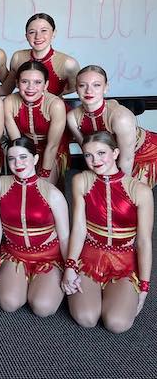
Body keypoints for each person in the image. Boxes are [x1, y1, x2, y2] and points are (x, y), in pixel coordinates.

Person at [62, 131, 152, 333]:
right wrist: (70, 265)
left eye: (102, 153)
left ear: (116, 152)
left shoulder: (140, 190)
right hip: (90, 257)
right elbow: (78, 227)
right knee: (86, 318)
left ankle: (118, 294)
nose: (95, 160)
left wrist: (144, 287)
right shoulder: (81, 180)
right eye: (88, 155)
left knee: (117, 324)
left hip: (124, 262)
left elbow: (144, 241)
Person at [0, 137, 69, 317]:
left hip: (48, 257)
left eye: (23, 157)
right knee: (8, 303)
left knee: (43, 308)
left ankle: (44, 285)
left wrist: (71, 268)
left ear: (35, 159)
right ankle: (20, 283)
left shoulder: (52, 193)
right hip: (14, 254)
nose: (18, 163)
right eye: (12, 159)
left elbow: (65, 236)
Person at [67, 65, 157, 188]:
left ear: (106, 88)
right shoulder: (72, 117)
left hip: (144, 154)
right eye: (82, 85)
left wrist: (119, 189)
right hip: (111, 157)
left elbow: (127, 159)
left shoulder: (120, 117)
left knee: (128, 199)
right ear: (76, 89)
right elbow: (89, 152)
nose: (89, 91)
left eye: (96, 85)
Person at [4, 61, 68, 185]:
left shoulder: (55, 104)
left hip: (51, 149)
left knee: (44, 187)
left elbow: (52, 145)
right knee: (23, 182)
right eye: (24, 82)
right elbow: (17, 143)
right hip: (24, 148)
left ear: (46, 84)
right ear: (17, 83)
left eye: (37, 82)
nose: (30, 87)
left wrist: (44, 173)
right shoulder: (9, 102)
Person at [1, 13, 80, 97]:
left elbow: (73, 88)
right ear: (26, 36)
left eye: (44, 30)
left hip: (54, 108)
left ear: (53, 33)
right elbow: (7, 89)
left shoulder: (68, 63)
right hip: (23, 108)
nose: (38, 36)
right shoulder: (17, 57)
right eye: (32, 32)